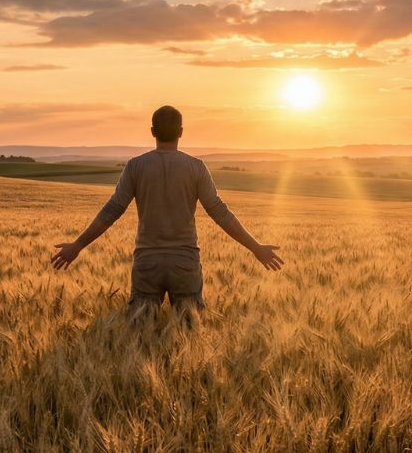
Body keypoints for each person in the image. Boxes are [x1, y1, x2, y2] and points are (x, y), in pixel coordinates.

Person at [50, 105, 283, 320]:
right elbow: (219, 212)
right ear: (181, 132)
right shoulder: (196, 167)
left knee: (141, 336)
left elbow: (113, 209)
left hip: (147, 262)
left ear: (152, 132)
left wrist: (77, 245)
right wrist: (256, 247)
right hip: (185, 262)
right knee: (189, 335)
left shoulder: (135, 166)